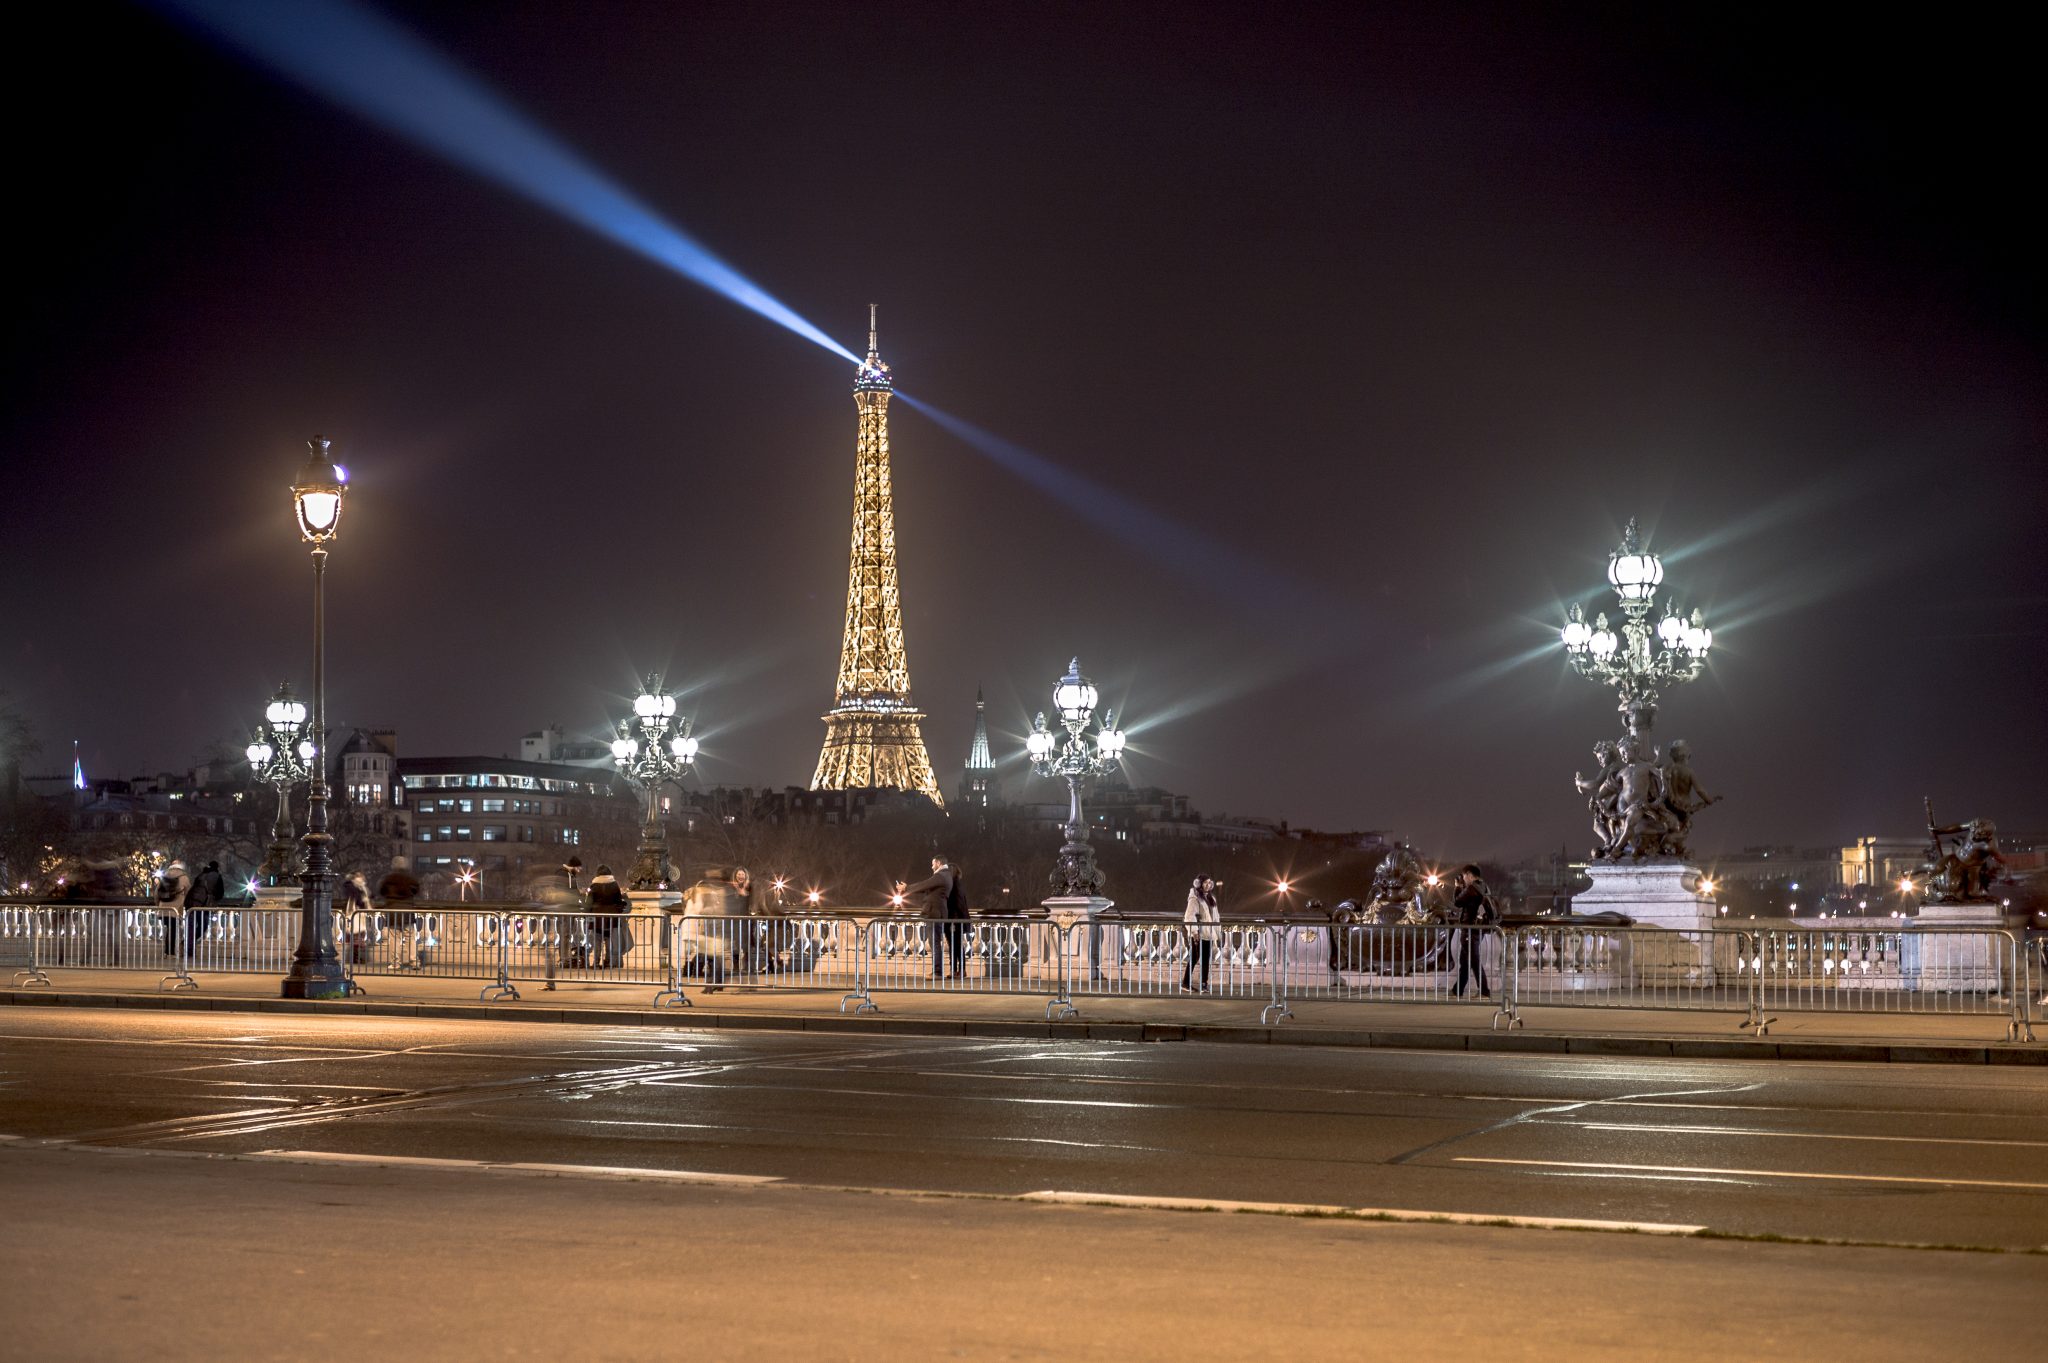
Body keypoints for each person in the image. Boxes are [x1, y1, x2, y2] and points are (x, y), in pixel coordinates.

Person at [898, 856, 964, 979]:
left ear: (938, 863)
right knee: (935, 942)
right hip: (937, 912)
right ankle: (937, 970)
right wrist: (908, 888)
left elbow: (925, 884)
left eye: (933, 864)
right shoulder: (946, 876)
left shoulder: (941, 875)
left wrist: (906, 888)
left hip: (934, 913)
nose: (932, 866)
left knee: (935, 942)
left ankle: (937, 971)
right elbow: (927, 887)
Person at [1450, 864, 1495, 998]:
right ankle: (1457, 990)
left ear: (1469, 874)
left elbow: (1457, 902)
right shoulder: (1484, 886)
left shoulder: (1471, 888)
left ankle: (1484, 991)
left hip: (1470, 928)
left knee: (1473, 960)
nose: (1463, 879)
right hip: (1479, 928)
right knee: (1466, 960)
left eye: (1464, 876)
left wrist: (1457, 887)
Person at [376, 856, 423, 970]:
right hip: (407, 910)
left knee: (394, 938)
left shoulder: (388, 878)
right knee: (410, 937)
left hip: (392, 910)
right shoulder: (410, 879)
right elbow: (417, 890)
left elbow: (381, 890)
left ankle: (395, 963)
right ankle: (414, 962)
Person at [586, 864, 629, 969]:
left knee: (597, 940)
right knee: (609, 940)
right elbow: (618, 900)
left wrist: (587, 912)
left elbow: (589, 902)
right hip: (611, 916)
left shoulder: (594, 885)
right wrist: (619, 909)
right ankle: (608, 961)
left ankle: (596, 962)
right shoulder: (614, 884)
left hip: (597, 917)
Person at [1182, 875, 1220, 993]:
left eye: (1209, 883)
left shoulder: (1210, 898)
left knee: (1205, 959)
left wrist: (1217, 933)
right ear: (1198, 883)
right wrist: (1194, 931)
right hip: (1198, 932)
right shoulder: (1195, 897)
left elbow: (1216, 916)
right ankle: (1186, 983)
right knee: (1195, 957)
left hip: (1208, 932)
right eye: (1205, 883)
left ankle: (1204, 984)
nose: (1208, 885)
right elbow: (1190, 915)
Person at [185, 859, 226, 958]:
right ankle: (189, 946)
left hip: (191, 903)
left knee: (191, 927)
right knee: (203, 927)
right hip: (204, 904)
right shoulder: (217, 877)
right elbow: (220, 893)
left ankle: (188, 947)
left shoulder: (201, 875)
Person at [156, 860, 192, 958]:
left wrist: (158, 905)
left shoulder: (164, 877)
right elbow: (189, 892)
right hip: (176, 908)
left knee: (168, 930)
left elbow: (157, 892)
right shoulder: (183, 877)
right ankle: (170, 952)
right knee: (174, 930)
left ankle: (167, 951)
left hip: (163, 907)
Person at [340, 870, 373, 965]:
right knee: (356, 937)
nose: (361, 878)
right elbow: (357, 899)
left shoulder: (360, 887)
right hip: (354, 914)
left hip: (359, 914)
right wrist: (364, 899)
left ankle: (357, 958)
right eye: (359, 876)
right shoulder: (352, 887)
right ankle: (355, 958)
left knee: (359, 937)